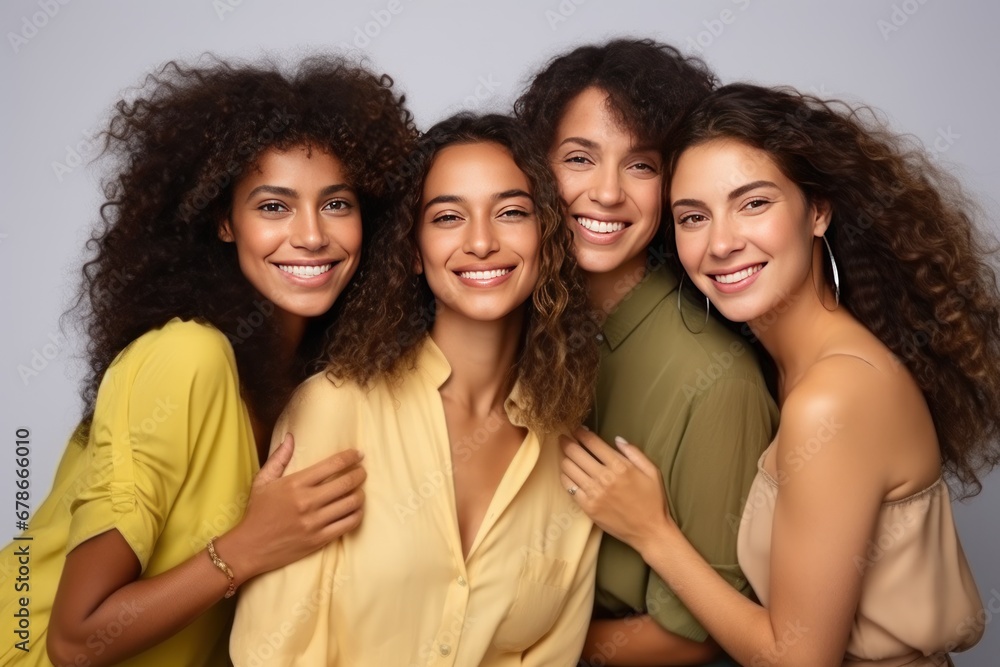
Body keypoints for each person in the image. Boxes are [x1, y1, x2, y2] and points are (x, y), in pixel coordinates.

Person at [562, 83, 1000, 666]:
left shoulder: (834, 398)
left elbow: (797, 660)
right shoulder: (795, 367)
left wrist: (652, 532)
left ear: (817, 210)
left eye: (754, 203)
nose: (721, 242)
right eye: (693, 217)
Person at [0, 55, 416, 667]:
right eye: (273, 206)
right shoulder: (187, 357)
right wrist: (245, 549)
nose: (310, 235)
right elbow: (76, 639)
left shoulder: (314, 383)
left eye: (336, 204)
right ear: (224, 221)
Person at [230, 113, 601, 666]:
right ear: (410, 248)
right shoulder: (336, 409)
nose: (481, 242)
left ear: (547, 241)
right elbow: (271, 653)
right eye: (449, 217)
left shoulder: (571, 458)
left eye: (511, 213)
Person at [516, 40, 779, 664]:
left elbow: (693, 637)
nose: (607, 194)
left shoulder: (718, 378)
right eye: (580, 158)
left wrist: (504, 648)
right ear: (535, 167)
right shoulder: (507, 321)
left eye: (641, 165)